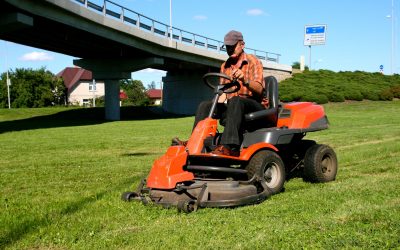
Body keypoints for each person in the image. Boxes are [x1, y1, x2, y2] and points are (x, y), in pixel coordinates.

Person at [173, 30, 267, 156]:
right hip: (235, 107)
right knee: (205, 105)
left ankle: (229, 146)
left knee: (236, 100)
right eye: (227, 47)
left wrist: (244, 80)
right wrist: (214, 106)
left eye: (232, 46)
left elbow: (260, 89)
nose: (229, 49)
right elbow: (224, 92)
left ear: (242, 45)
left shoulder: (253, 61)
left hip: (256, 108)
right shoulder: (225, 66)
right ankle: (194, 142)